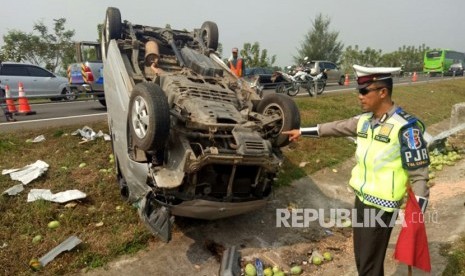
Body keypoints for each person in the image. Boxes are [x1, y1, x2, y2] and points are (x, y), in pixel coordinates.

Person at [282, 65, 430, 276]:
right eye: (358, 92)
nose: (360, 97)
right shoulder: (364, 122)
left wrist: (416, 218)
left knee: (368, 266)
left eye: (364, 91)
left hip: (382, 207)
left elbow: (420, 175)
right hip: (361, 200)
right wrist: (301, 131)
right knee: (363, 260)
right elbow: (336, 127)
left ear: (382, 92)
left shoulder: (406, 128)